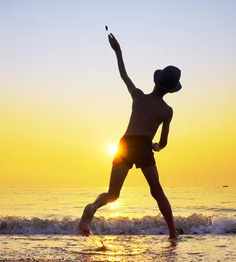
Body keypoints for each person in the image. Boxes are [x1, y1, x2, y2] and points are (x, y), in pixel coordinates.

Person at [78, 33, 181, 240]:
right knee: (157, 191)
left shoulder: (138, 96)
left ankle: (92, 207)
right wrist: (156, 147)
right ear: (171, 90)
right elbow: (163, 142)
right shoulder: (167, 110)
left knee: (113, 194)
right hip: (143, 146)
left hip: (125, 143)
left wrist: (118, 51)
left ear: (156, 81)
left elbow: (124, 75)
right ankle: (172, 232)